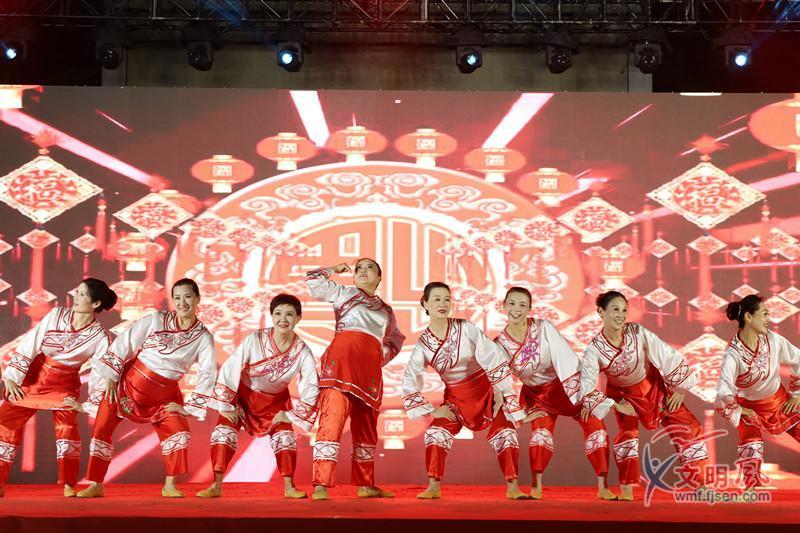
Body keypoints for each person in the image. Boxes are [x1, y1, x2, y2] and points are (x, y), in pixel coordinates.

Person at [77, 278, 216, 498]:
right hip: (126, 386)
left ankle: (169, 485)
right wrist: (111, 377)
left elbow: (207, 373)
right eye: (177, 298)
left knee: (179, 431)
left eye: (188, 297)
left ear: (197, 299)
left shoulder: (204, 337)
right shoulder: (155, 319)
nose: (182, 303)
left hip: (164, 396)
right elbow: (125, 343)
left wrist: (189, 407)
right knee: (101, 427)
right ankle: (96, 484)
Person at [579, 291, 709, 501]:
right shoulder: (594, 350)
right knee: (628, 435)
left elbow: (665, 354)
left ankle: (700, 484)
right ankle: (627, 488)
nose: (621, 315)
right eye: (615, 309)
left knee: (690, 426)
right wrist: (616, 405)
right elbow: (586, 386)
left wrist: (679, 388)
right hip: (624, 397)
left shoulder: (637, 332)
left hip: (654, 387)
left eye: (624, 310)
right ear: (601, 312)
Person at [402, 282, 527, 499]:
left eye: (446, 299)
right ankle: (433, 486)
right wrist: (432, 410)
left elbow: (492, 355)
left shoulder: (466, 328)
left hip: (486, 394)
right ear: (425, 303)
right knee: (435, 433)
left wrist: (500, 390)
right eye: (437, 299)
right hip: (456, 401)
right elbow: (411, 380)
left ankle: (513, 486)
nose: (442, 304)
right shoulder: (423, 345)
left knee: (506, 433)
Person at [495, 287, 616, 500]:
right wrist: (519, 415)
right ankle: (536, 486)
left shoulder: (544, 328)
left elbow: (566, 360)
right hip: (538, 395)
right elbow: (502, 383)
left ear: (529, 309)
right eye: (512, 304)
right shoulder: (498, 345)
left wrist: (585, 397)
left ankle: (603, 487)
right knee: (541, 435)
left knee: (597, 429)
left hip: (566, 387)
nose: (516, 309)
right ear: (504, 306)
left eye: (522, 305)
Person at [0, 279, 116, 497]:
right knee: (4, 424)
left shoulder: (100, 336)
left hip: (64, 384)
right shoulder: (56, 314)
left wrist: (86, 405)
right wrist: (12, 377)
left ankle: (69, 483)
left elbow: (100, 374)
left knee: (67, 430)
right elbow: (30, 343)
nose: (75, 297)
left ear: (96, 303)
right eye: (77, 292)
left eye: (82, 295)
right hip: (34, 377)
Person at [197, 294, 319, 498]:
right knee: (223, 433)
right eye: (278, 314)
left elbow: (311, 386)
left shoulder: (302, 352)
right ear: (272, 315)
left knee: (286, 438)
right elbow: (231, 366)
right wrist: (226, 405)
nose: (283, 319)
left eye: (289, 314)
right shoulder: (256, 339)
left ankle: (289, 487)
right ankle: (216, 485)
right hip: (243, 398)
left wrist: (290, 415)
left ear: (298, 318)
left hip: (275, 403)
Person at [305, 259, 405, 500]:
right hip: (340, 367)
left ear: (379, 278)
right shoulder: (344, 293)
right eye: (358, 268)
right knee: (331, 421)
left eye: (369, 268)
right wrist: (333, 269)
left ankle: (365, 485)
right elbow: (312, 281)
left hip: (368, 373)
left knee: (366, 428)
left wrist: (376, 356)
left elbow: (395, 339)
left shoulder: (385, 310)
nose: (362, 270)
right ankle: (321, 484)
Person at [716, 294, 800, 488]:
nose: (768, 319)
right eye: (764, 314)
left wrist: (796, 395)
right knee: (750, 440)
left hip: (779, 401)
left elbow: (798, 359)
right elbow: (723, 392)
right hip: (750, 407)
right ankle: (753, 486)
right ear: (748, 317)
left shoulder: (773, 340)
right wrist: (739, 410)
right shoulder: (733, 354)